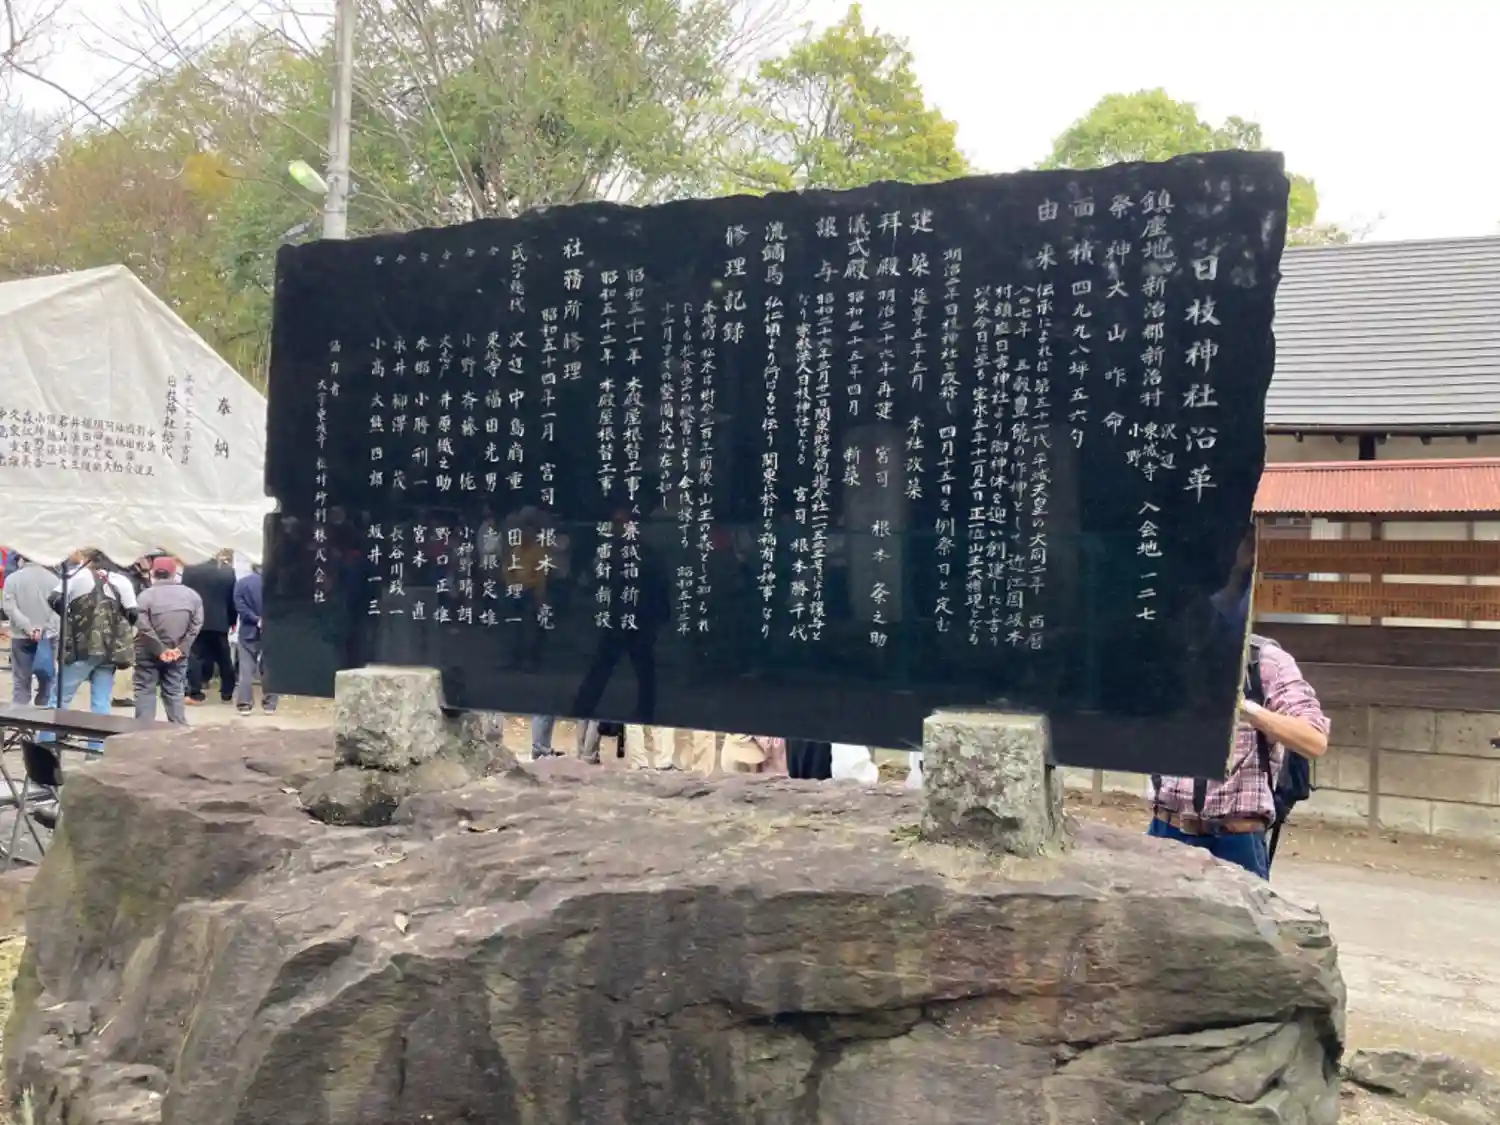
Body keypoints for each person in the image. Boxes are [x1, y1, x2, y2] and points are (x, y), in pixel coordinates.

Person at [1147, 634, 1329, 880]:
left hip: (1234, 843)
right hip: (1164, 832)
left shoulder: (1263, 660)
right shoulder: (1164, 653)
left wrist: (1244, 707)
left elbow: (1314, 740)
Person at [47, 551, 137, 748]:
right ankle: (96, 750)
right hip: (110, 651)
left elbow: (53, 599)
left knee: (60, 698)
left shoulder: (76, 576)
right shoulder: (121, 581)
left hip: (81, 647)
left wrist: (70, 616)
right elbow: (133, 614)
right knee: (101, 703)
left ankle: (46, 744)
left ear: (88, 559)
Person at [134, 558, 204, 724]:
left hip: (147, 652)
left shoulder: (145, 596)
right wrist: (181, 648)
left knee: (145, 690)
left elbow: (142, 625)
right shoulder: (191, 596)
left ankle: (143, 730)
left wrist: (160, 649)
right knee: (174, 690)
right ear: (174, 573)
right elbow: (196, 624)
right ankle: (178, 728)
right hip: (178, 654)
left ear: (153, 573)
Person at [183, 550, 237, 705]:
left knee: (195, 657)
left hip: (196, 619)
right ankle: (227, 692)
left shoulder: (189, 570)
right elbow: (231, 600)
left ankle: (195, 691)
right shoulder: (227, 572)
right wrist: (232, 620)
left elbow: (186, 596)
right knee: (224, 658)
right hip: (219, 620)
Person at [3, 555, 59, 706]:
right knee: (47, 680)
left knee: (21, 683)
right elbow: (58, 610)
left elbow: (9, 608)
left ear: (21, 559)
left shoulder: (12, 579)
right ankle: (44, 714)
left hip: (20, 636)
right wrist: (44, 628)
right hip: (47, 637)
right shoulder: (54, 580)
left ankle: (19, 716)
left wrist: (28, 627)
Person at [232, 566, 276, 715]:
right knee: (270, 667)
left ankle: (245, 704)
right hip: (272, 630)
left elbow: (239, 606)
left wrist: (255, 619)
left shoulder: (242, 583)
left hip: (248, 630)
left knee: (246, 668)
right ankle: (270, 704)